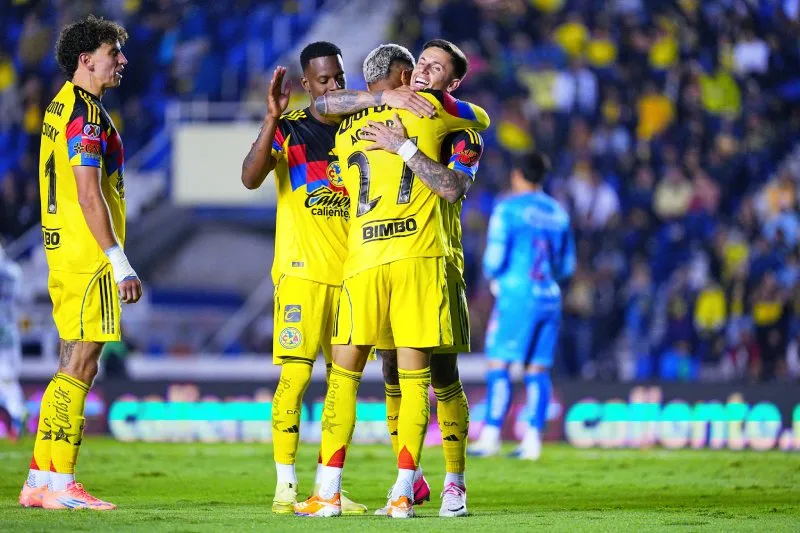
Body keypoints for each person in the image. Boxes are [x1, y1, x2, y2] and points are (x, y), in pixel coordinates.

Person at [294, 42, 490, 519]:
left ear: (452, 81)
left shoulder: (448, 118)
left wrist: (401, 143)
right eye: (421, 62)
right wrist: (385, 101)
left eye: (435, 67)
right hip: (385, 262)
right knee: (394, 374)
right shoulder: (390, 110)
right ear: (406, 71)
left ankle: (452, 483)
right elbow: (325, 105)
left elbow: (455, 179)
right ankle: (406, 484)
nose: (425, 71)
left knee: (437, 376)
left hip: (433, 258)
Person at [239, 41, 430, 515]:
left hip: (353, 276)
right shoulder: (291, 131)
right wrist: (270, 118)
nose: (333, 86)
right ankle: (285, 485)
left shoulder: (361, 131)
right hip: (302, 274)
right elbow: (249, 177)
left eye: (339, 78)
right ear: (308, 85)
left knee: (342, 382)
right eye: (324, 81)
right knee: (296, 375)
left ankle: (333, 483)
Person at [19, 15, 142, 511]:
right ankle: (63, 484)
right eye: (114, 54)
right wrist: (119, 260)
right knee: (82, 365)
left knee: (67, 365)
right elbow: (89, 194)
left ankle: (38, 479)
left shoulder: (58, 107)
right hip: (87, 255)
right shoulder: (86, 116)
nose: (122, 62)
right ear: (86, 60)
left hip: (61, 250)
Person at [468, 152, 575, 460]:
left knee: (498, 363)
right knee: (537, 369)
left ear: (517, 174)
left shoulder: (508, 209)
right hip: (549, 297)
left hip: (517, 294)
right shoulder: (558, 212)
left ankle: (490, 436)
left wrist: (495, 276)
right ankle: (532, 441)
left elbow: (494, 259)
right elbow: (567, 266)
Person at [0, 242, 26, 440]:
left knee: (8, 382)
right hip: (9, 336)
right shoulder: (12, 272)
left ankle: (18, 421)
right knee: (8, 383)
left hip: (6, 339)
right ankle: (17, 419)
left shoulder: (10, 274)